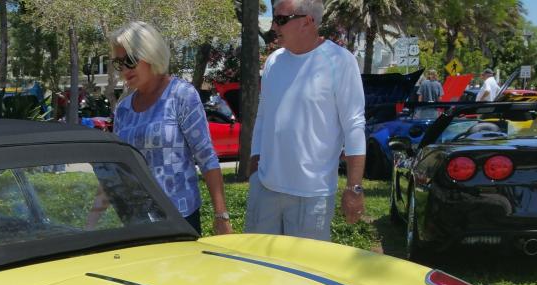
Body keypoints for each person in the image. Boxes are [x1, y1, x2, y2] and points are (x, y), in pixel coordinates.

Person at [246, 0, 365, 241]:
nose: (273, 27)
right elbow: (263, 115)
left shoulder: (340, 62)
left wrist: (354, 188)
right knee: (259, 273)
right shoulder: (273, 62)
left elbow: (354, 126)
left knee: (304, 276)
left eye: (280, 19)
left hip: (312, 197)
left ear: (308, 22)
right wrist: (254, 161)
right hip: (265, 189)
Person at [107, 21, 231, 235]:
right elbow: (119, 168)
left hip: (179, 217)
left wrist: (221, 216)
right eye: (119, 63)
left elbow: (206, 157)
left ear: (150, 53)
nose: (125, 70)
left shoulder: (182, 95)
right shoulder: (123, 109)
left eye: (130, 60)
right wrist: (91, 222)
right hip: (136, 221)